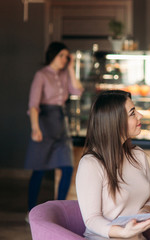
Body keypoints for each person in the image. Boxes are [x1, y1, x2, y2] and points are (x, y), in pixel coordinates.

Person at [76, 90, 150, 240]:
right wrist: (123, 233)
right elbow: (91, 219)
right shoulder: (90, 164)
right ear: (114, 121)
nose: (140, 116)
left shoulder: (138, 155)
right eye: (132, 113)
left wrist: (145, 212)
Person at [25, 42, 83, 216]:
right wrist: (35, 128)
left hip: (60, 121)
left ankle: (58, 211)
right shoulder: (41, 75)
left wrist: (72, 68)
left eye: (67, 56)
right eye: (62, 56)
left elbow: (78, 91)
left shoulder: (66, 74)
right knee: (39, 169)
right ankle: (31, 211)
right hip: (44, 122)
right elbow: (33, 105)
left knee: (67, 168)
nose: (65, 59)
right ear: (53, 55)